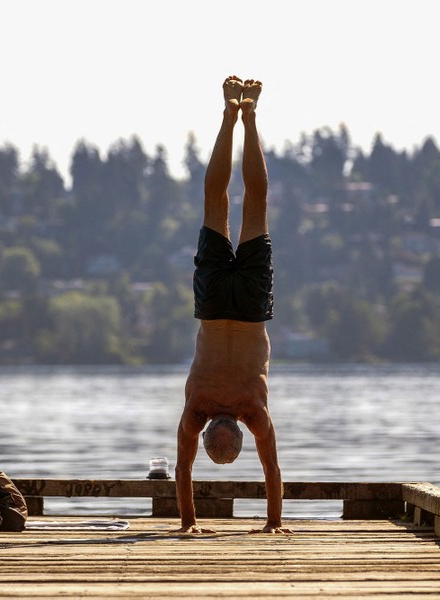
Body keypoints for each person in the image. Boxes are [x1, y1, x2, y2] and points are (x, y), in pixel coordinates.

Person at [174, 76, 288, 534]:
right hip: (213, 304)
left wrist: (274, 521)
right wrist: (187, 521)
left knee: (255, 203)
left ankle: (248, 116)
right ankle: (231, 115)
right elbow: (183, 469)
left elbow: (271, 470)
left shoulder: (253, 410)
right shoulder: (196, 409)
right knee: (215, 202)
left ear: (240, 429)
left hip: (251, 308)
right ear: (207, 431)